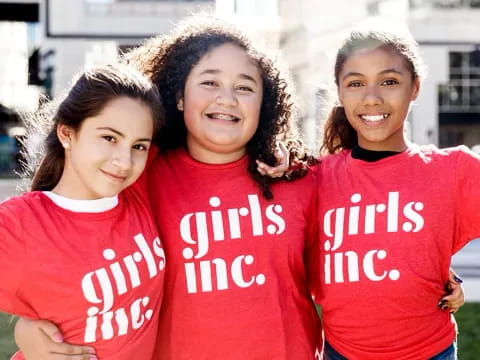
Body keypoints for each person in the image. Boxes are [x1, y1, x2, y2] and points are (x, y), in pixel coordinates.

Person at [13, 17, 322, 360]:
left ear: (264, 104)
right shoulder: (140, 172)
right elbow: (67, 247)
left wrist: (289, 152)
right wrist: (28, 328)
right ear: (178, 96)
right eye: (209, 82)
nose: (227, 98)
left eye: (245, 87)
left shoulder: (298, 177)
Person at [309, 28, 478, 360]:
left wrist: (433, 270)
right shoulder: (314, 178)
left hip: (430, 352)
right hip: (342, 353)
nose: (372, 97)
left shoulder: (454, 169)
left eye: (389, 81)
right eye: (356, 83)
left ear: (414, 87)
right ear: (340, 93)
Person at [0, 64, 166, 360]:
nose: (124, 161)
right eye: (109, 138)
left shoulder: (139, 191)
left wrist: (277, 158)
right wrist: (26, 336)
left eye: (139, 145)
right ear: (67, 133)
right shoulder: (19, 225)